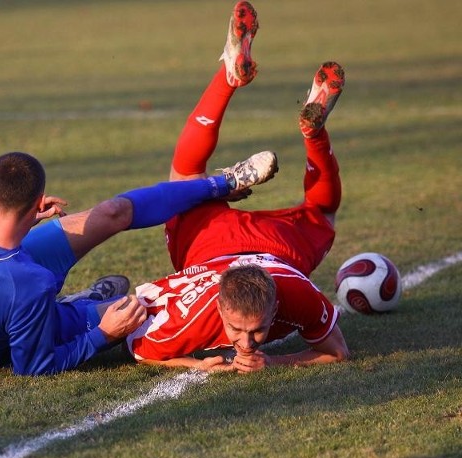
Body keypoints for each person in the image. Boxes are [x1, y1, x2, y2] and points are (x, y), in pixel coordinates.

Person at [125, 1, 350, 373]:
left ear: (275, 304)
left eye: (258, 331)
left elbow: (141, 347)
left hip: (220, 243)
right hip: (271, 249)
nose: (245, 343)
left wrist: (271, 362)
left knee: (185, 177)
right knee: (318, 212)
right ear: (217, 304)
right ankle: (315, 134)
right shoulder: (298, 295)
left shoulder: (293, 294)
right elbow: (336, 350)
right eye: (238, 330)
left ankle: (228, 76)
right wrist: (215, 365)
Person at [0, 140, 273, 376]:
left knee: (112, 213)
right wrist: (102, 335)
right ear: (37, 200)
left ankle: (221, 183)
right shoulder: (31, 285)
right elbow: (33, 366)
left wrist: (25, 220)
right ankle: (79, 308)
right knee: (138, 311)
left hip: (2, 280)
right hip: (10, 305)